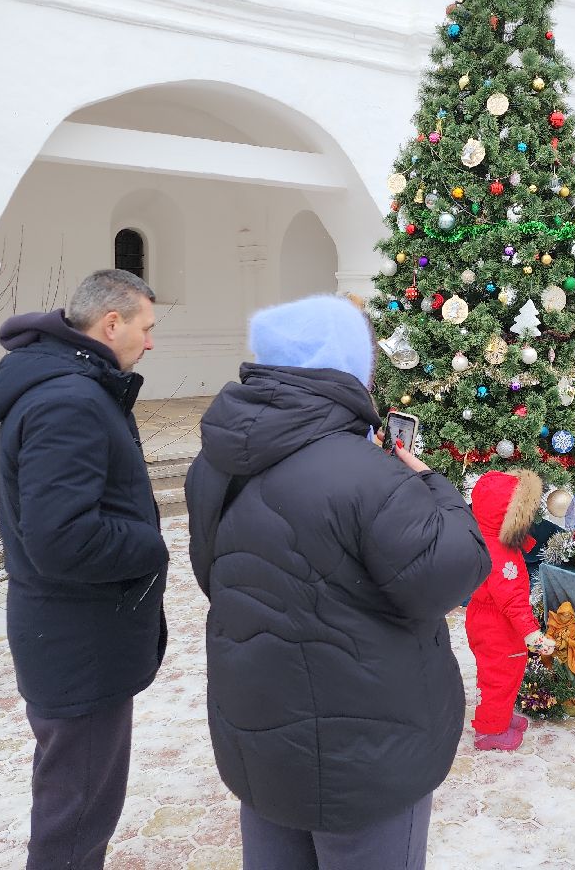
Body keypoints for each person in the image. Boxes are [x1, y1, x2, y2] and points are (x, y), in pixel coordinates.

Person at [184, 294, 490, 870]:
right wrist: (436, 488)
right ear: (346, 367)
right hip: (365, 753)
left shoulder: (214, 463)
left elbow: (212, 574)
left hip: (262, 732)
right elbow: (447, 577)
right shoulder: (366, 471)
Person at [0, 269, 167, 870]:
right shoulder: (70, 399)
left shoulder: (70, 384)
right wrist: (149, 544)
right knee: (76, 812)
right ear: (111, 324)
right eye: (147, 327)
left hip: (70, 633)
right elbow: (62, 538)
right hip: (79, 641)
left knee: (75, 798)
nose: (151, 342)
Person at [466, 469, 556, 751]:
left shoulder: (492, 538)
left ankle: (500, 717)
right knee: (498, 677)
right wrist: (532, 634)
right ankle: (489, 731)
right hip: (497, 626)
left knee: (510, 669)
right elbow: (512, 601)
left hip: (496, 622)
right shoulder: (499, 555)